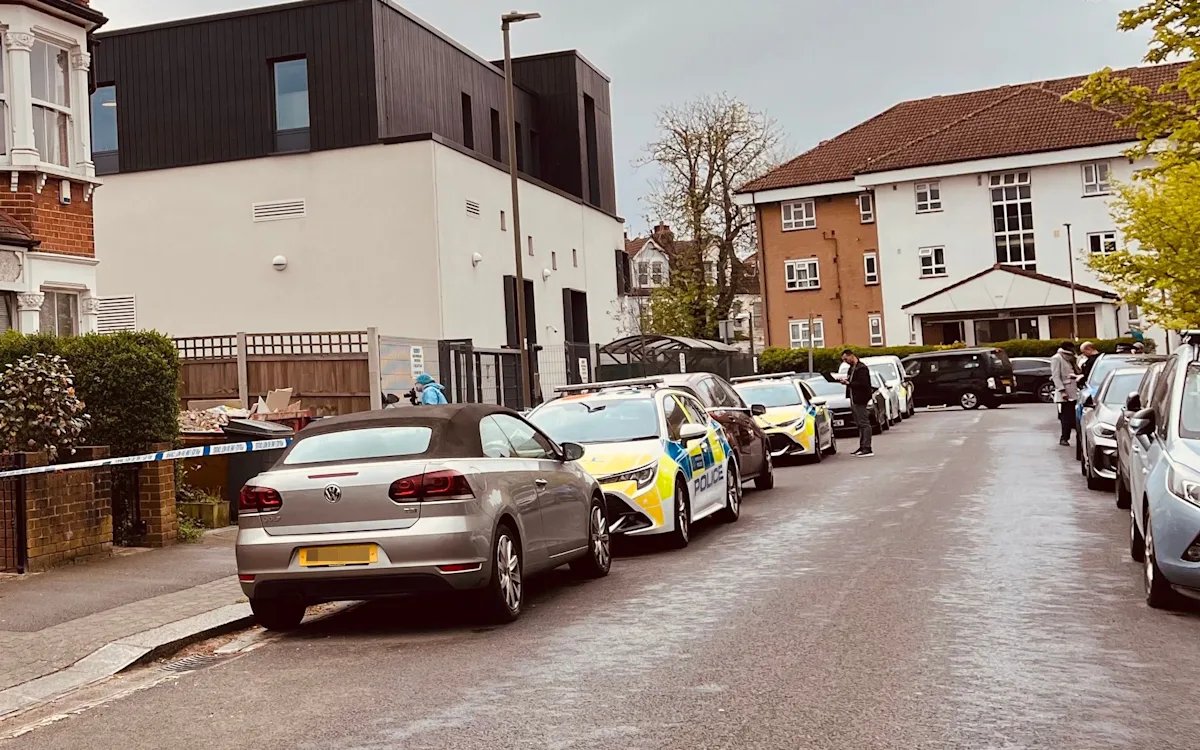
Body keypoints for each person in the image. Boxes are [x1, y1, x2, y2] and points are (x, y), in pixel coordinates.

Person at [837, 349, 874, 457]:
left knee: (864, 423)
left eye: (846, 359)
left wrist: (848, 383)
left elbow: (863, 384)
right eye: (843, 360)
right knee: (859, 424)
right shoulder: (851, 369)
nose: (845, 361)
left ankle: (867, 447)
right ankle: (862, 446)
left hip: (861, 399)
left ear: (851, 355)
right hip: (854, 399)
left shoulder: (861, 368)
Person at [1050, 341, 1080, 447]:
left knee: (1076, 416)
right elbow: (1056, 376)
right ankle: (1064, 437)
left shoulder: (1072, 358)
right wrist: (1062, 391)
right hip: (1066, 392)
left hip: (1075, 390)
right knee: (1066, 417)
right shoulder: (1057, 358)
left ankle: (1078, 438)